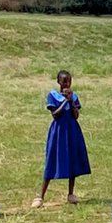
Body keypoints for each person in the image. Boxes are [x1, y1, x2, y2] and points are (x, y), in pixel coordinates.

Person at [33, 70, 91, 207]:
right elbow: (55, 114)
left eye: (69, 81)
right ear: (58, 82)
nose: (67, 84)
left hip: (72, 131)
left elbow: (76, 115)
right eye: (64, 81)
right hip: (58, 131)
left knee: (72, 159)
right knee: (52, 159)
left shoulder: (74, 96)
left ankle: (71, 193)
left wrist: (71, 102)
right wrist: (65, 101)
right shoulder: (53, 96)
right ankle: (41, 196)